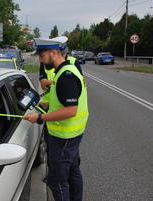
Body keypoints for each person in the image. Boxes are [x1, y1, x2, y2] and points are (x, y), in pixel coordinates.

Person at [22, 36, 89, 201]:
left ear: (53, 53)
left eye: (41, 55)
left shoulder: (66, 77)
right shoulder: (64, 72)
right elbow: (63, 103)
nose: (40, 60)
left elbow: (71, 110)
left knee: (57, 181)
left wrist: (40, 117)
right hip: (72, 135)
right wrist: (46, 105)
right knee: (73, 173)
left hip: (63, 138)